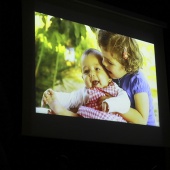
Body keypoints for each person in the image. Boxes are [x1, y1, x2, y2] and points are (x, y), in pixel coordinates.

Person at [41, 48, 130, 122]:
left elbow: (125, 102)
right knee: (78, 116)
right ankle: (61, 111)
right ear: (83, 79)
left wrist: (111, 103)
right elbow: (70, 99)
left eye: (97, 69)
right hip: (88, 123)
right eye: (86, 71)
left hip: (112, 123)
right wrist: (54, 96)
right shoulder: (85, 92)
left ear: (109, 75)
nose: (91, 74)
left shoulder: (115, 89)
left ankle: (62, 112)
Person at [97, 29, 156, 126]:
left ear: (126, 63)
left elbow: (141, 120)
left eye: (109, 62)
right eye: (103, 57)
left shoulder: (137, 81)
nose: (103, 63)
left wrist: (114, 104)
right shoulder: (111, 74)